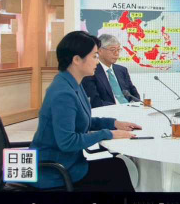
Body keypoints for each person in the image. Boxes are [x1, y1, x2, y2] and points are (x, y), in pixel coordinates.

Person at [31, 31, 142, 191]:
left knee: (118, 166)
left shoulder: (73, 83)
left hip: (68, 163)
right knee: (117, 170)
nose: (97, 61)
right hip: (54, 172)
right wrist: (108, 133)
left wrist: (114, 123)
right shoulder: (63, 93)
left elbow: (83, 120)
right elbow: (68, 142)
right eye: (94, 56)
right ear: (76, 59)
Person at [82, 34, 140, 108]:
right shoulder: (90, 72)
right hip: (109, 112)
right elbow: (95, 102)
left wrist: (133, 106)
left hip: (129, 110)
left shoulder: (122, 70)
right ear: (100, 51)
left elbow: (134, 94)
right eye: (112, 50)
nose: (116, 53)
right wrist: (120, 108)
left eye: (118, 50)